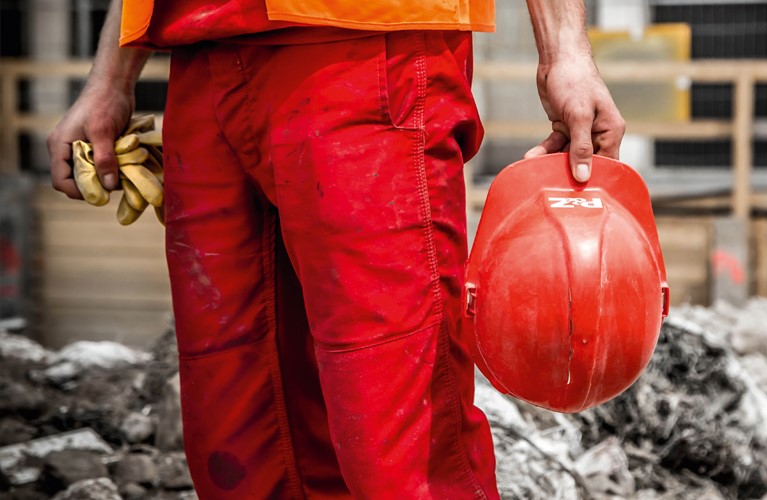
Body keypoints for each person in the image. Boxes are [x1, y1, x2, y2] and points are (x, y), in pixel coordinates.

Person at [46, 0, 625, 497]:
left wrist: (564, 50)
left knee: (403, 448)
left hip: (365, 45)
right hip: (203, 52)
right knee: (241, 440)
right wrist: (111, 78)